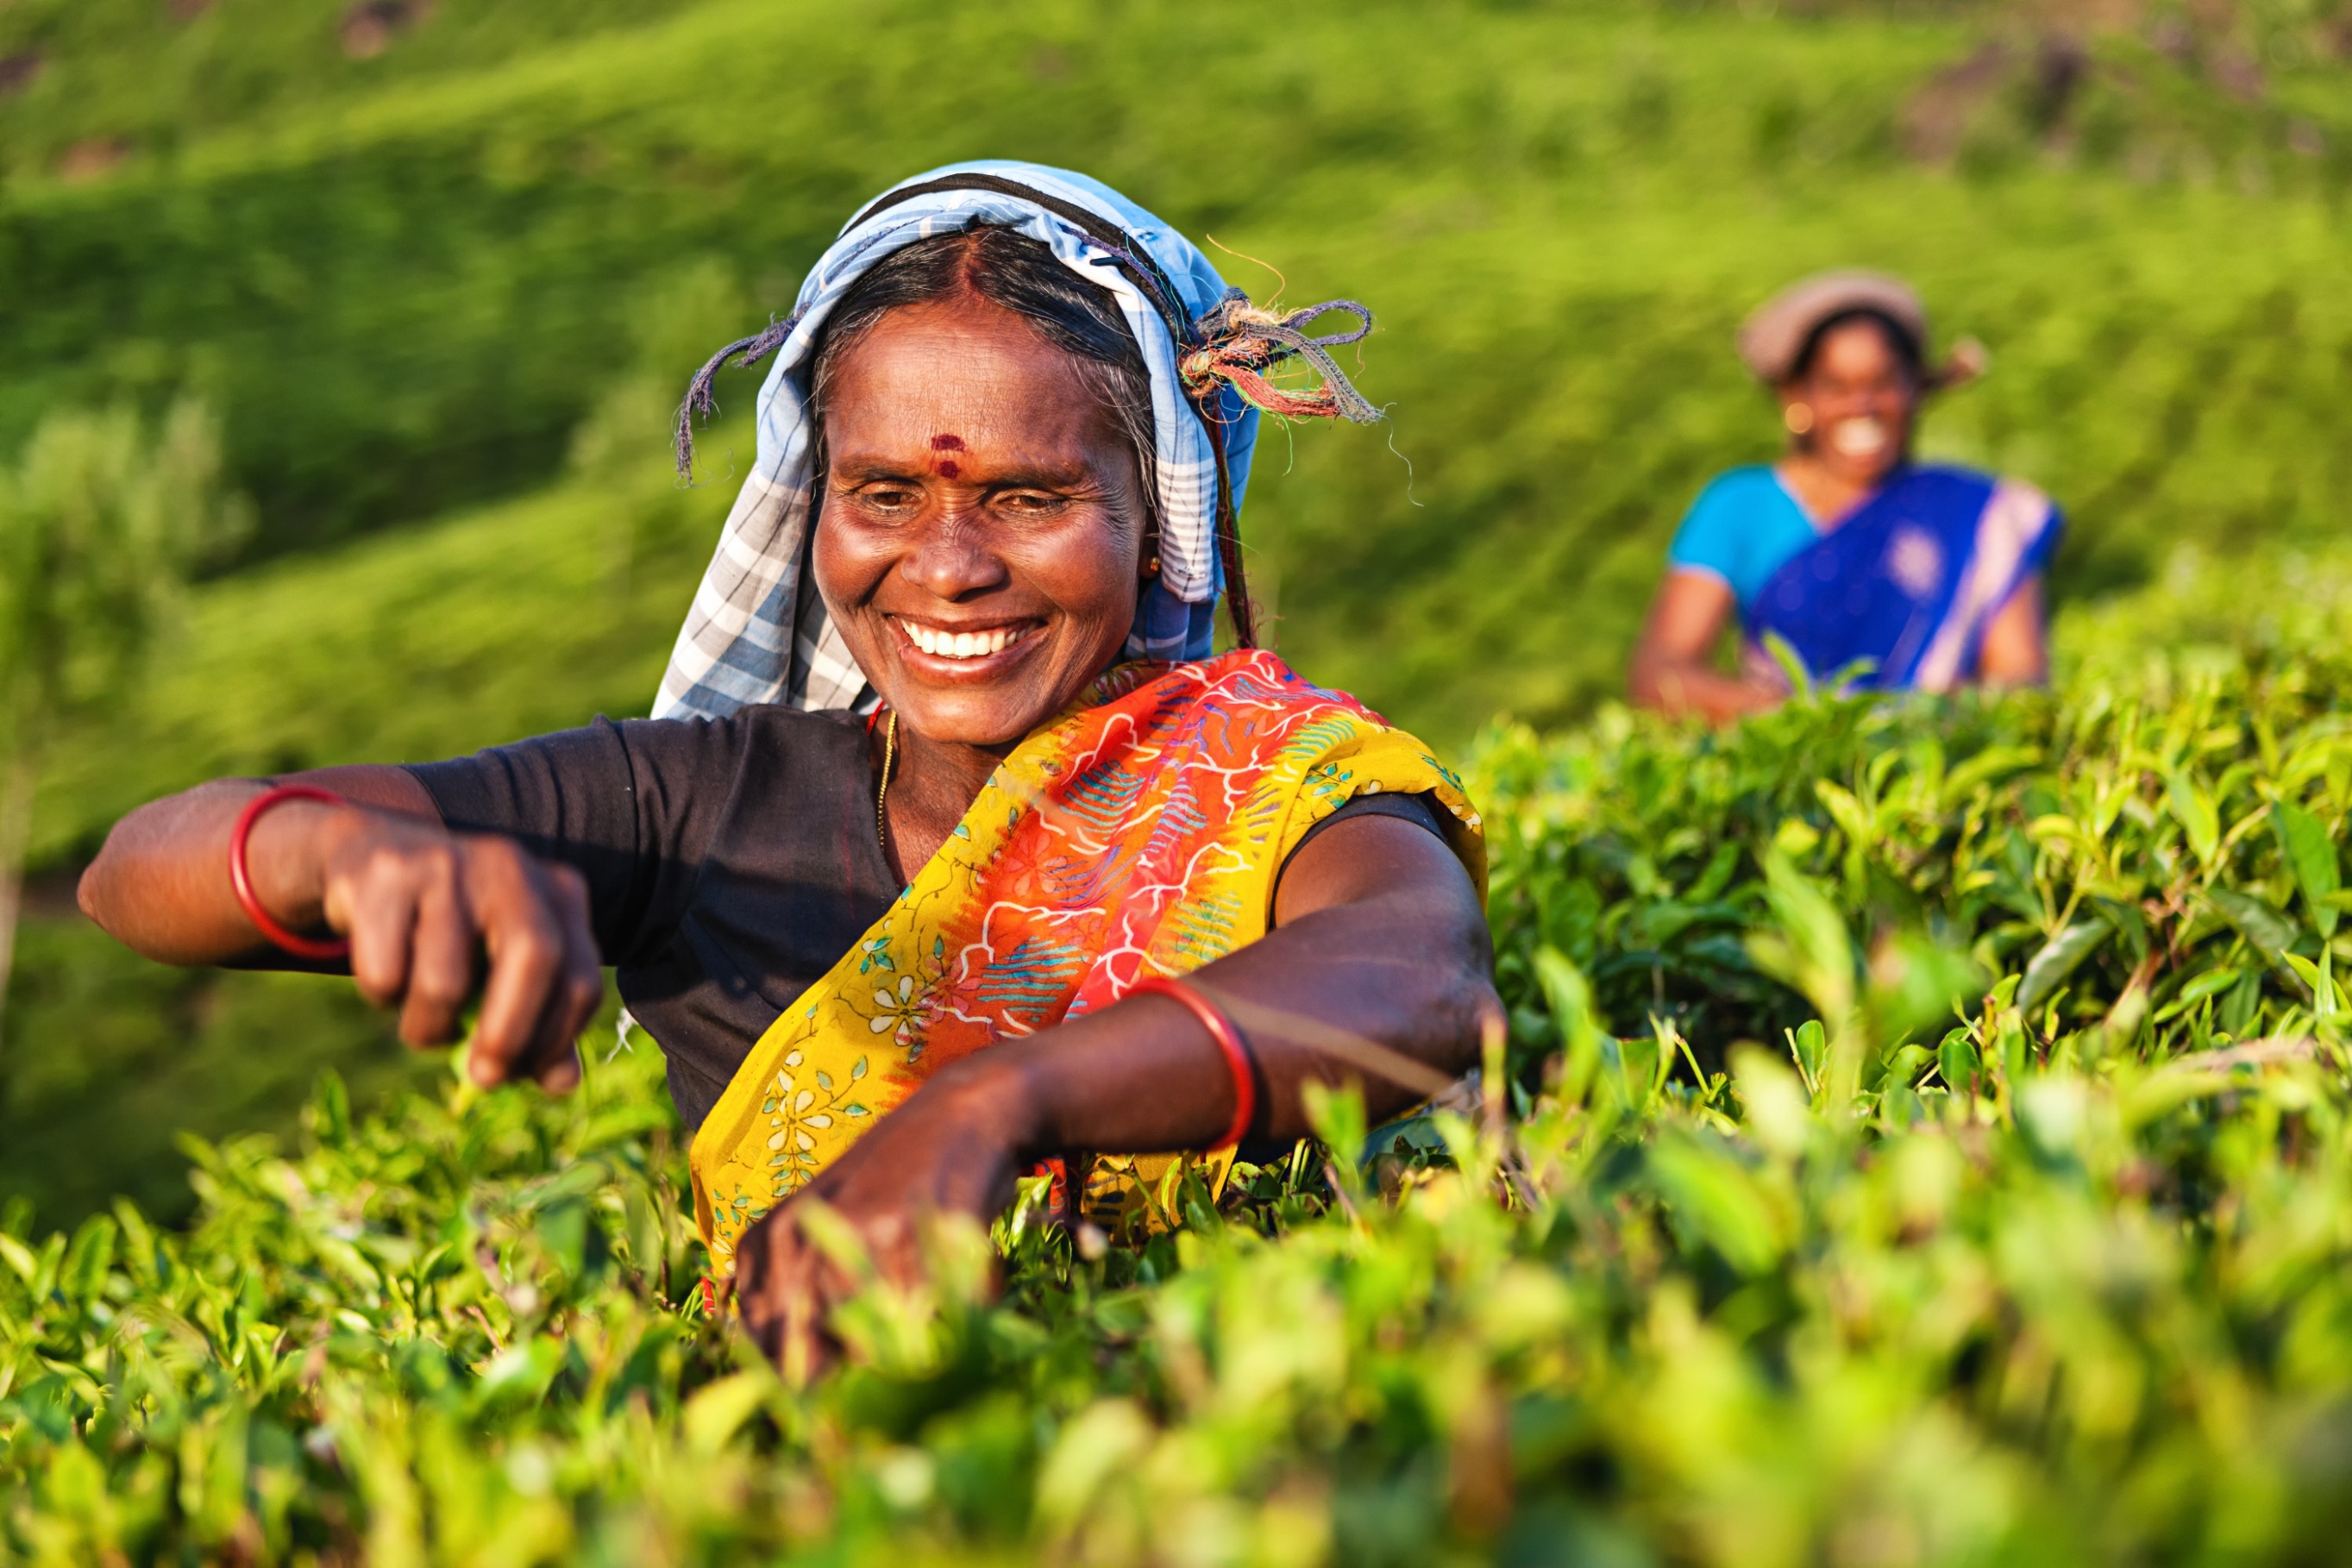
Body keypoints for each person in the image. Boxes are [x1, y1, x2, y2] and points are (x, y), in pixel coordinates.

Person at [76, 163, 1495, 1373]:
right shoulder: (700, 808)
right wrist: (347, 852)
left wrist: (997, 1100)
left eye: (1030, 497)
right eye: (884, 493)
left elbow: (1413, 980)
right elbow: (137, 875)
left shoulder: (1277, 780)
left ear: (1157, 513)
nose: (945, 566)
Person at [1628, 270, 2062, 722]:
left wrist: (1923, 716)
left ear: (1916, 390)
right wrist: (1815, 719)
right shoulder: (1739, 506)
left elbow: (2021, 681)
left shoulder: (1978, 514)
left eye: (1883, 383)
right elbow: (1661, 674)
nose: (1863, 407)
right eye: (1836, 386)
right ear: (1797, 398)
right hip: (1789, 766)